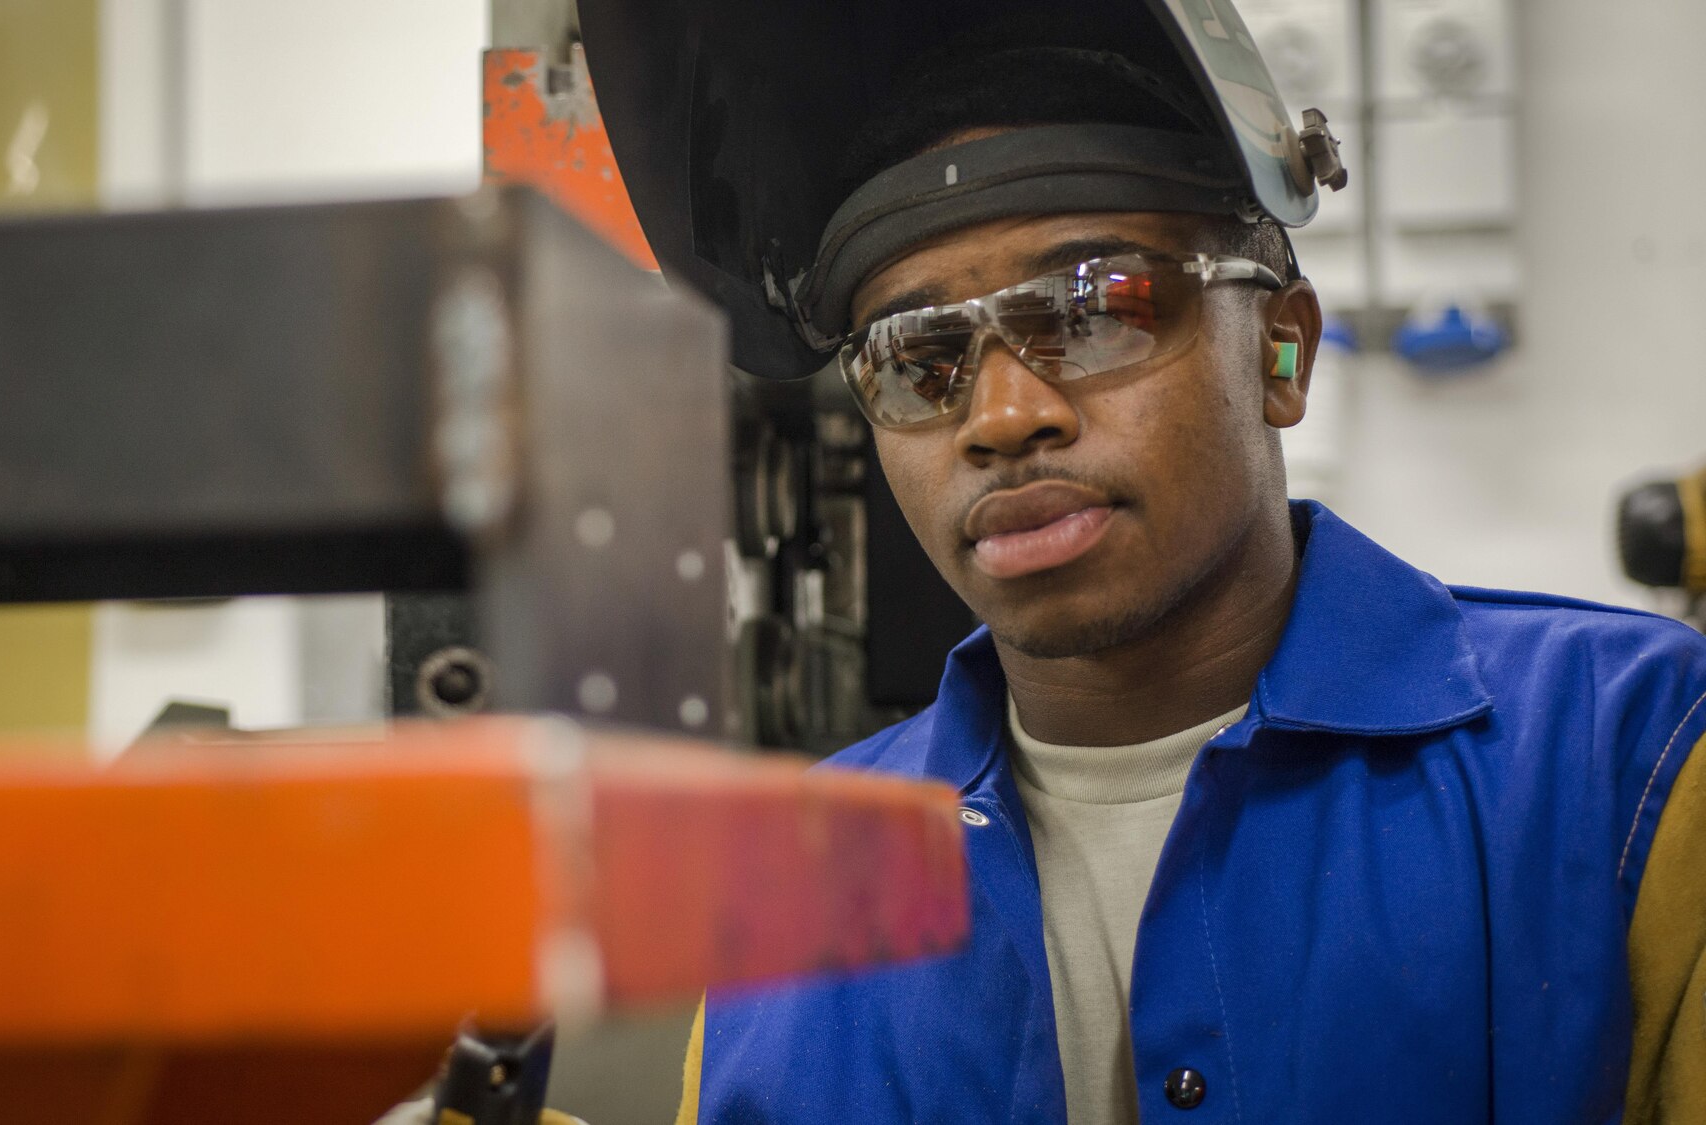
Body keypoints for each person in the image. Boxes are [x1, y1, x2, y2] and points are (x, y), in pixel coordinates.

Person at [578, 2, 1706, 1122]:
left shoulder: (1624, 755)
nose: (1002, 415)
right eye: (917, 358)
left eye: (1095, 308)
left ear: (1281, 352)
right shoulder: (795, 877)